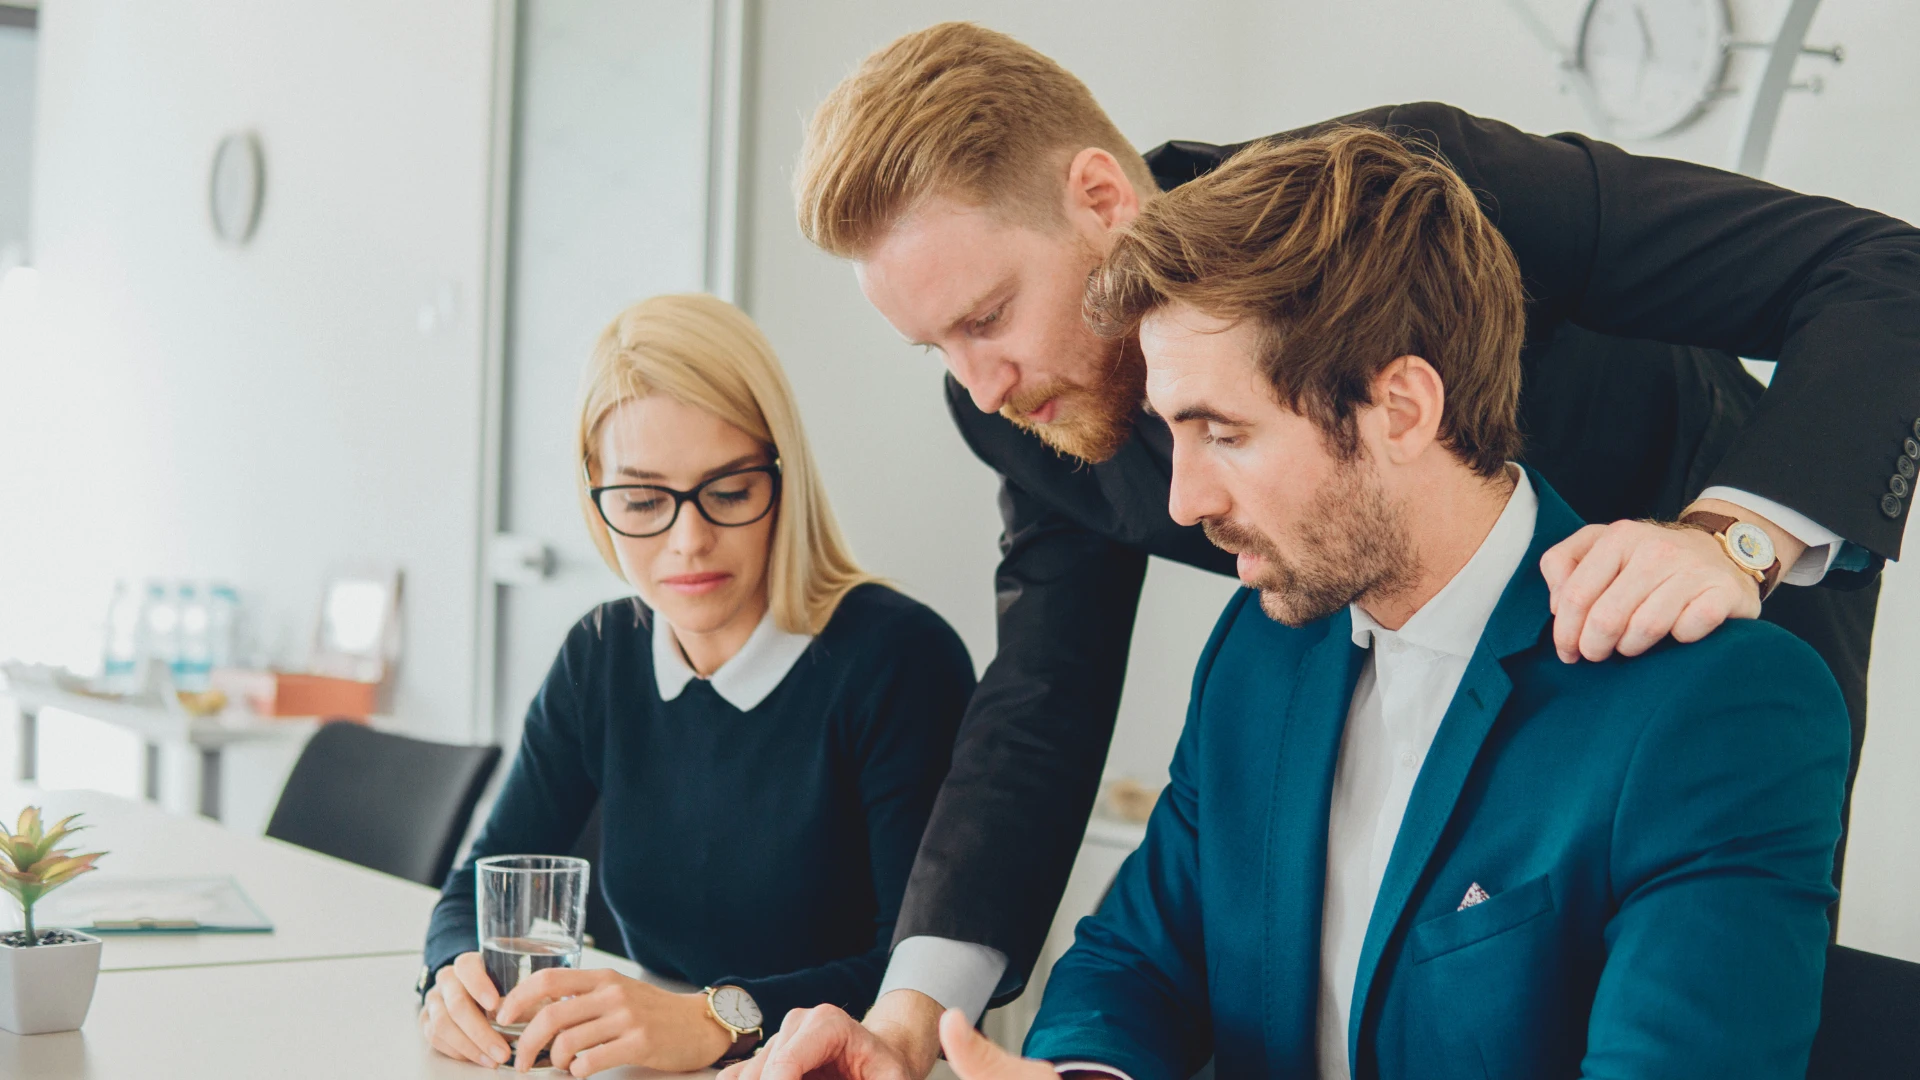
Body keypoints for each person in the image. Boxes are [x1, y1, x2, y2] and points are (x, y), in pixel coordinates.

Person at [727, 23, 1916, 1080]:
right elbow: (1042, 699)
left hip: (1695, 631)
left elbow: (1881, 273)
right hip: (1363, 642)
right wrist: (906, 1017)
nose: (981, 387)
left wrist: (1738, 537)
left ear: (1100, 197)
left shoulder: (1411, 202)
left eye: (985, 317)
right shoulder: (1148, 540)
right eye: (936, 349)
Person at [953, 126, 1847, 1080]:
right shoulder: (1260, 652)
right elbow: (1133, 963)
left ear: (1403, 410)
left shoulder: (1719, 710)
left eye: (1224, 434)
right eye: (1177, 434)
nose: (1183, 502)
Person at [416, 294, 975, 1075]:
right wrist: (450, 978)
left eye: (730, 492)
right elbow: (480, 885)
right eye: (643, 500)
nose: (689, 541)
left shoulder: (897, 660)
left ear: (784, 476)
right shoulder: (602, 653)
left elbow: (915, 969)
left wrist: (718, 1019)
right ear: (595, 498)